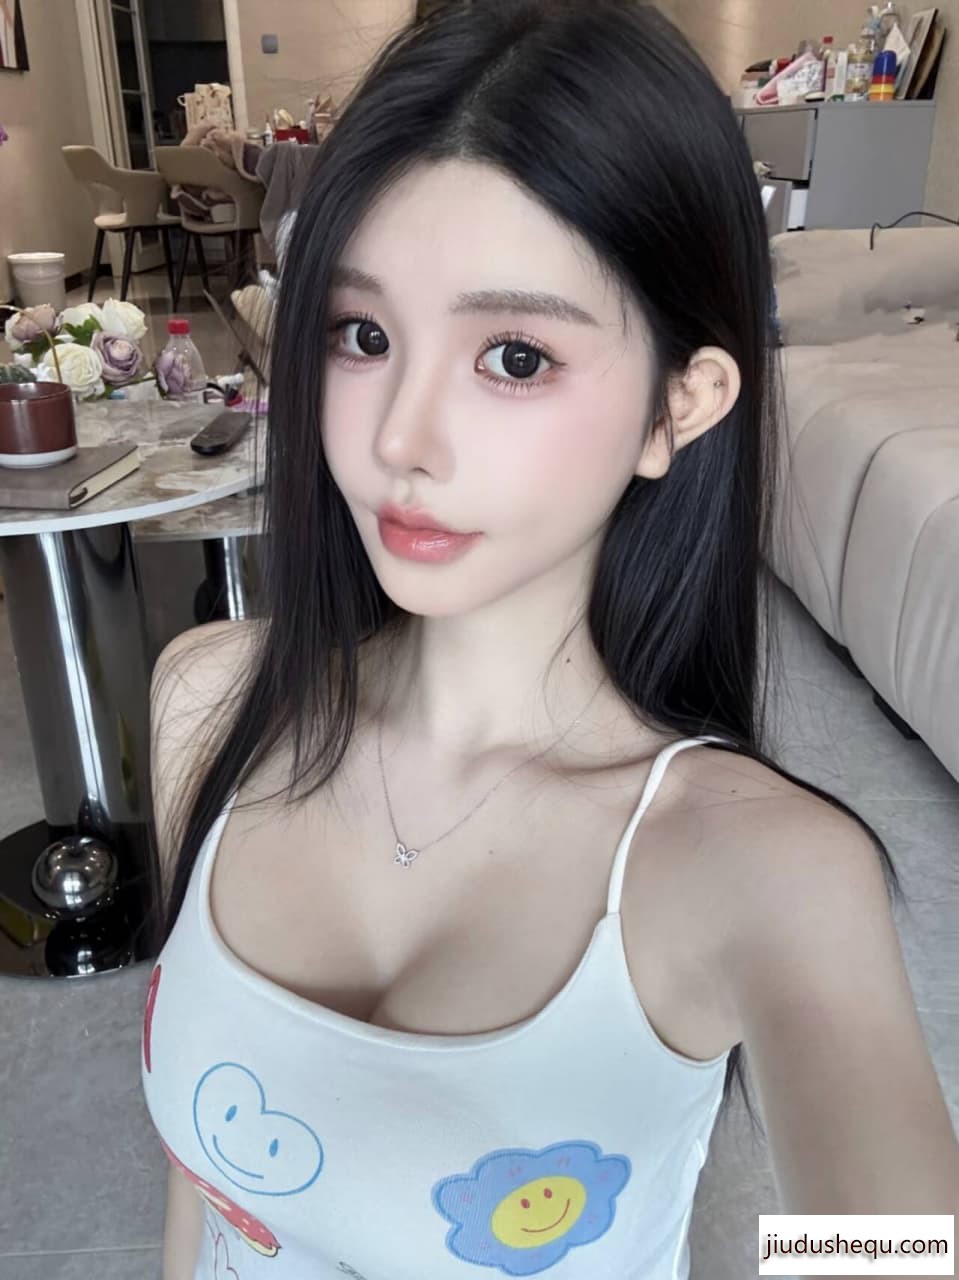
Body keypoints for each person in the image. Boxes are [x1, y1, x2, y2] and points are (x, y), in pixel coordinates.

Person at [140, 2, 959, 1277]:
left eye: (514, 357)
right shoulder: (208, 702)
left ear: (678, 405)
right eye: (363, 335)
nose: (400, 438)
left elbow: (890, 1244)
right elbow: (203, 1190)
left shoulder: (764, 871)